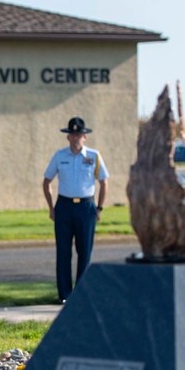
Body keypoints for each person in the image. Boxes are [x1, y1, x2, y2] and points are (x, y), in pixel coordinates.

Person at [42, 117, 109, 304]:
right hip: (64, 206)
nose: (75, 138)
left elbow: (104, 182)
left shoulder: (94, 156)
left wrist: (99, 208)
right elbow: (47, 181)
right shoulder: (60, 156)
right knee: (63, 251)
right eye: (72, 135)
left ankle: (81, 294)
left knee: (84, 251)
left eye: (79, 135)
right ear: (68, 137)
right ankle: (64, 294)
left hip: (86, 207)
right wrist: (51, 207)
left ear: (85, 137)